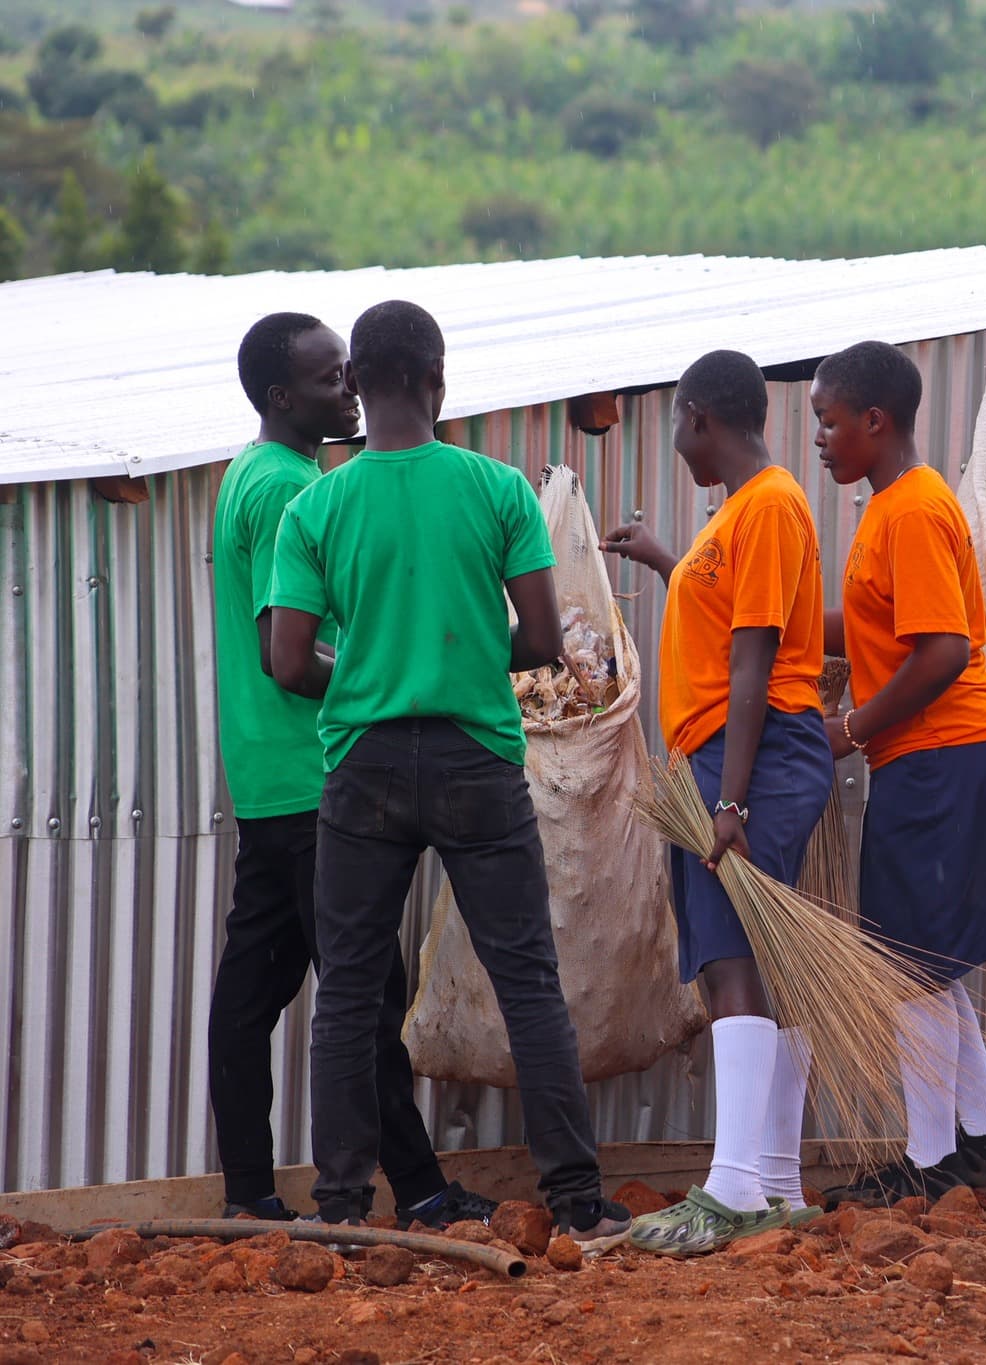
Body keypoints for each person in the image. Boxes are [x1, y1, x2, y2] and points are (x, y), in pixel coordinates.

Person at [266, 299, 628, 1245]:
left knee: (345, 990)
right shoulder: (499, 490)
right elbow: (544, 639)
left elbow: (287, 660)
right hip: (477, 759)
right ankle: (578, 1201)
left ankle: (341, 1206)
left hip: (363, 770)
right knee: (528, 981)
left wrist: (368, 671)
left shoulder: (315, 507)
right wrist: (465, 665)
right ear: (438, 381)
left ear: (356, 385)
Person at [207, 311, 494, 1230]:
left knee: (253, 993)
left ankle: (249, 1186)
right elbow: (283, 655)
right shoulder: (293, 490)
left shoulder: (248, 475)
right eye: (333, 378)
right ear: (283, 397)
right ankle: (419, 1192)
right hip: (310, 775)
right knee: (362, 999)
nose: (351, 388)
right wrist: (389, 682)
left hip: (266, 776)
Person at [806, 340, 986, 1207]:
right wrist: (776, 621)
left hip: (946, 753)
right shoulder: (893, 507)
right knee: (922, 958)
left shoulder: (910, 510)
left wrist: (852, 726)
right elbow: (879, 630)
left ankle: (929, 1157)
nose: (820, 441)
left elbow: (944, 649)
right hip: (952, 754)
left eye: (828, 423)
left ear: (875, 422)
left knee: (905, 959)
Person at [600, 350, 832, 1256]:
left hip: (752, 757)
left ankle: (732, 1186)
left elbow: (754, 660)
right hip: (738, 756)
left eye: (674, 423)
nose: (676, 439)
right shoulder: (741, 512)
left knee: (732, 952)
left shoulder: (770, 504)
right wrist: (667, 560)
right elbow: (721, 620)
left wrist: (729, 797)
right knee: (759, 953)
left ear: (699, 416)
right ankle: (774, 1181)